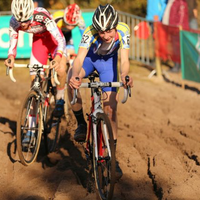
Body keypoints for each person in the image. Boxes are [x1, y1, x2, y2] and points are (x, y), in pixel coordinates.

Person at [67, 4, 133, 179]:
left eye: (109, 31)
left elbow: (124, 60)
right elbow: (80, 58)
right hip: (90, 60)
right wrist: (75, 76)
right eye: (101, 32)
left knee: (111, 110)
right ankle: (81, 123)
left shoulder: (124, 30)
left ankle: (112, 158)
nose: (105, 35)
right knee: (70, 80)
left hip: (108, 65)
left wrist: (125, 76)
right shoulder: (90, 31)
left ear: (115, 26)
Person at [4, 0, 66, 145]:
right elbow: (13, 43)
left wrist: (58, 57)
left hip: (53, 42)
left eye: (26, 20)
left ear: (30, 14)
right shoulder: (14, 21)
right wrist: (11, 57)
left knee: (61, 68)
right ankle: (31, 129)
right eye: (20, 21)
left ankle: (60, 98)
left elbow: (60, 39)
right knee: (34, 85)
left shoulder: (42, 15)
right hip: (39, 44)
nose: (23, 24)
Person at [53, 3, 86, 68]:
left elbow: (85, 37)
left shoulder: (80, 20)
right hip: (57, 34)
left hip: (67, 35)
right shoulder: (57, 18)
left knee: (71, 54)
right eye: (67, 24)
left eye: (73, 25)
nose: (70, 26)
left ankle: (70, 70)